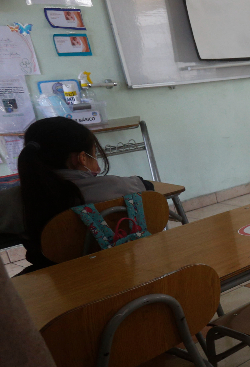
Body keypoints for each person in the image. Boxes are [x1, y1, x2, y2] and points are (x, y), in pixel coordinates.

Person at [16, 117, 154, 274]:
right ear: (82, 158)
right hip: (118, 271)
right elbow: (148, 187)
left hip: (52, 280)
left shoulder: (15, 200)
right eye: (94, 153)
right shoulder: (115, 186)